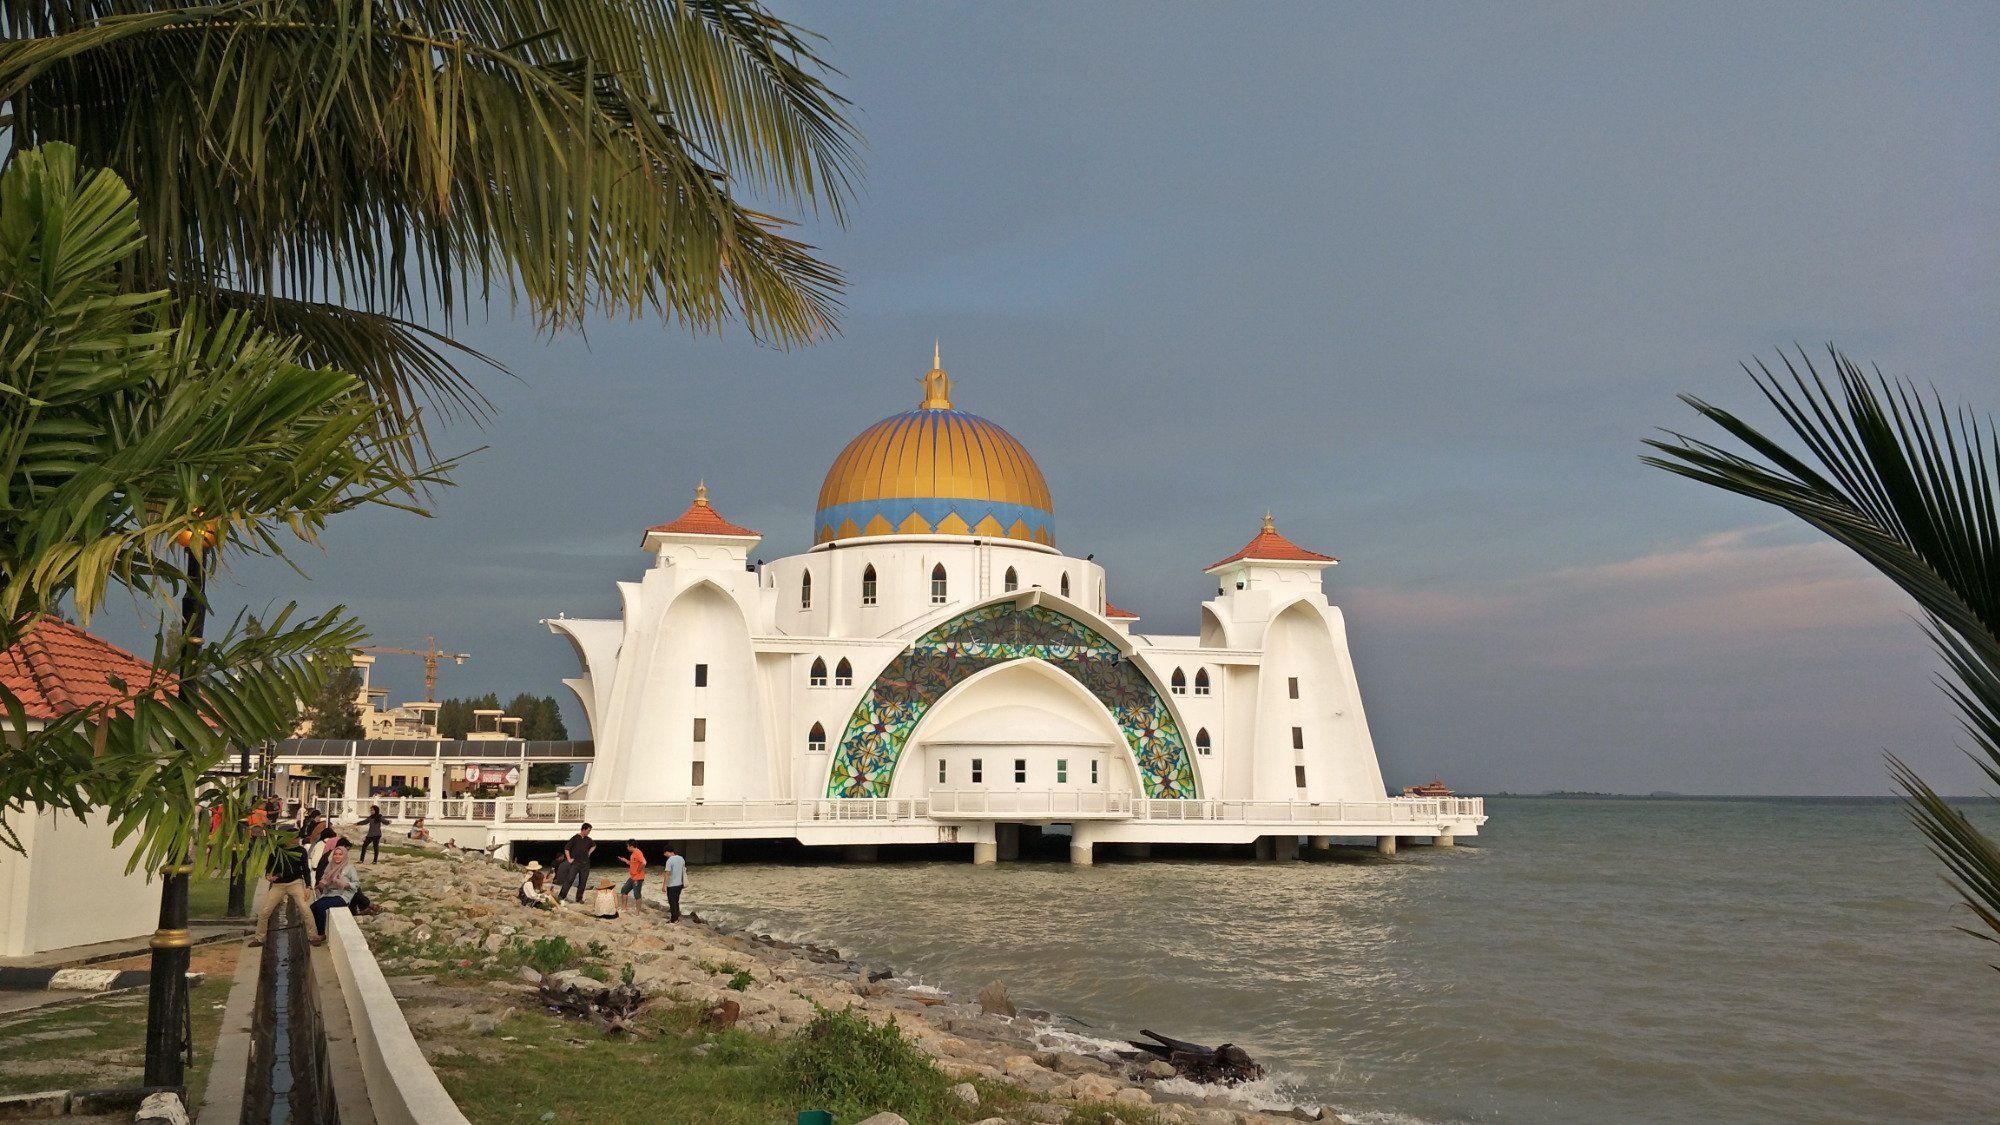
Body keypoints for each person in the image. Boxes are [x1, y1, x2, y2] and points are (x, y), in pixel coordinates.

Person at [251, 827, 315, 947]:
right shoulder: (275, 850)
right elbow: (269, 868)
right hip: (278, 885)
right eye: (295, 837)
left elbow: (305, 869)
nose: (298, 839)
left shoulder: (301, 851)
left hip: (295, 882)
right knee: (265, 911)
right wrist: (269, 876)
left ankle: (313, 936)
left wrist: (308, 886)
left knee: (305, 909)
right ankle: (259, 938)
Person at [309, 842, 360, 937]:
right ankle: (317, 930)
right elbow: (325, 880)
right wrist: (322, 885)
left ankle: (321, 934)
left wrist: (345, 884)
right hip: (329, 894)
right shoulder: (330, 867)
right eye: (335, 854)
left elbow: (356, 884)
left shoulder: (349, 868)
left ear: (344, 856)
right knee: (313, 907)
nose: (337, 856)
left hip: (343, 896)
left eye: (340, 854)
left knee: (320, 907)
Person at [558, 823, 594, 903]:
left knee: (583, 881)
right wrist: (569, 859)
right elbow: (566, 849)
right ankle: (561, 896)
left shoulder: (588, 839)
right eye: (588, 830)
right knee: (569, 879)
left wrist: (589, 853)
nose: (589, 832)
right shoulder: (575, 838)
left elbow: (594, 846)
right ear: (584, 829)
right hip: (576, 863)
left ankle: (579, 898)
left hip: (585, 864)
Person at [662, 844, 686, 923]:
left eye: (664, 853)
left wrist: (664, 886)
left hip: (672, 885)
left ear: (667, 852)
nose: (664, 855)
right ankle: (677, 915)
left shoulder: (669, 860)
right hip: (679, 884)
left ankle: (674, 919)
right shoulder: (681, 858)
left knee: (672, 902)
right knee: (676, 901)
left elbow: (667, 873)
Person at [618, 841, 646, 907]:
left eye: (627, 846)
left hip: (638, 878)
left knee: (637, 895)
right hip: (632, 877)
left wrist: (638, 870)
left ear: (631, 846)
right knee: (624, 890)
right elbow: (632, 863)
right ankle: (624, 908)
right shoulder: (633, 854)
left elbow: (644, 862)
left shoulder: (638, 852)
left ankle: (637, 912)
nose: (627, 848)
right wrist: (625, 860)